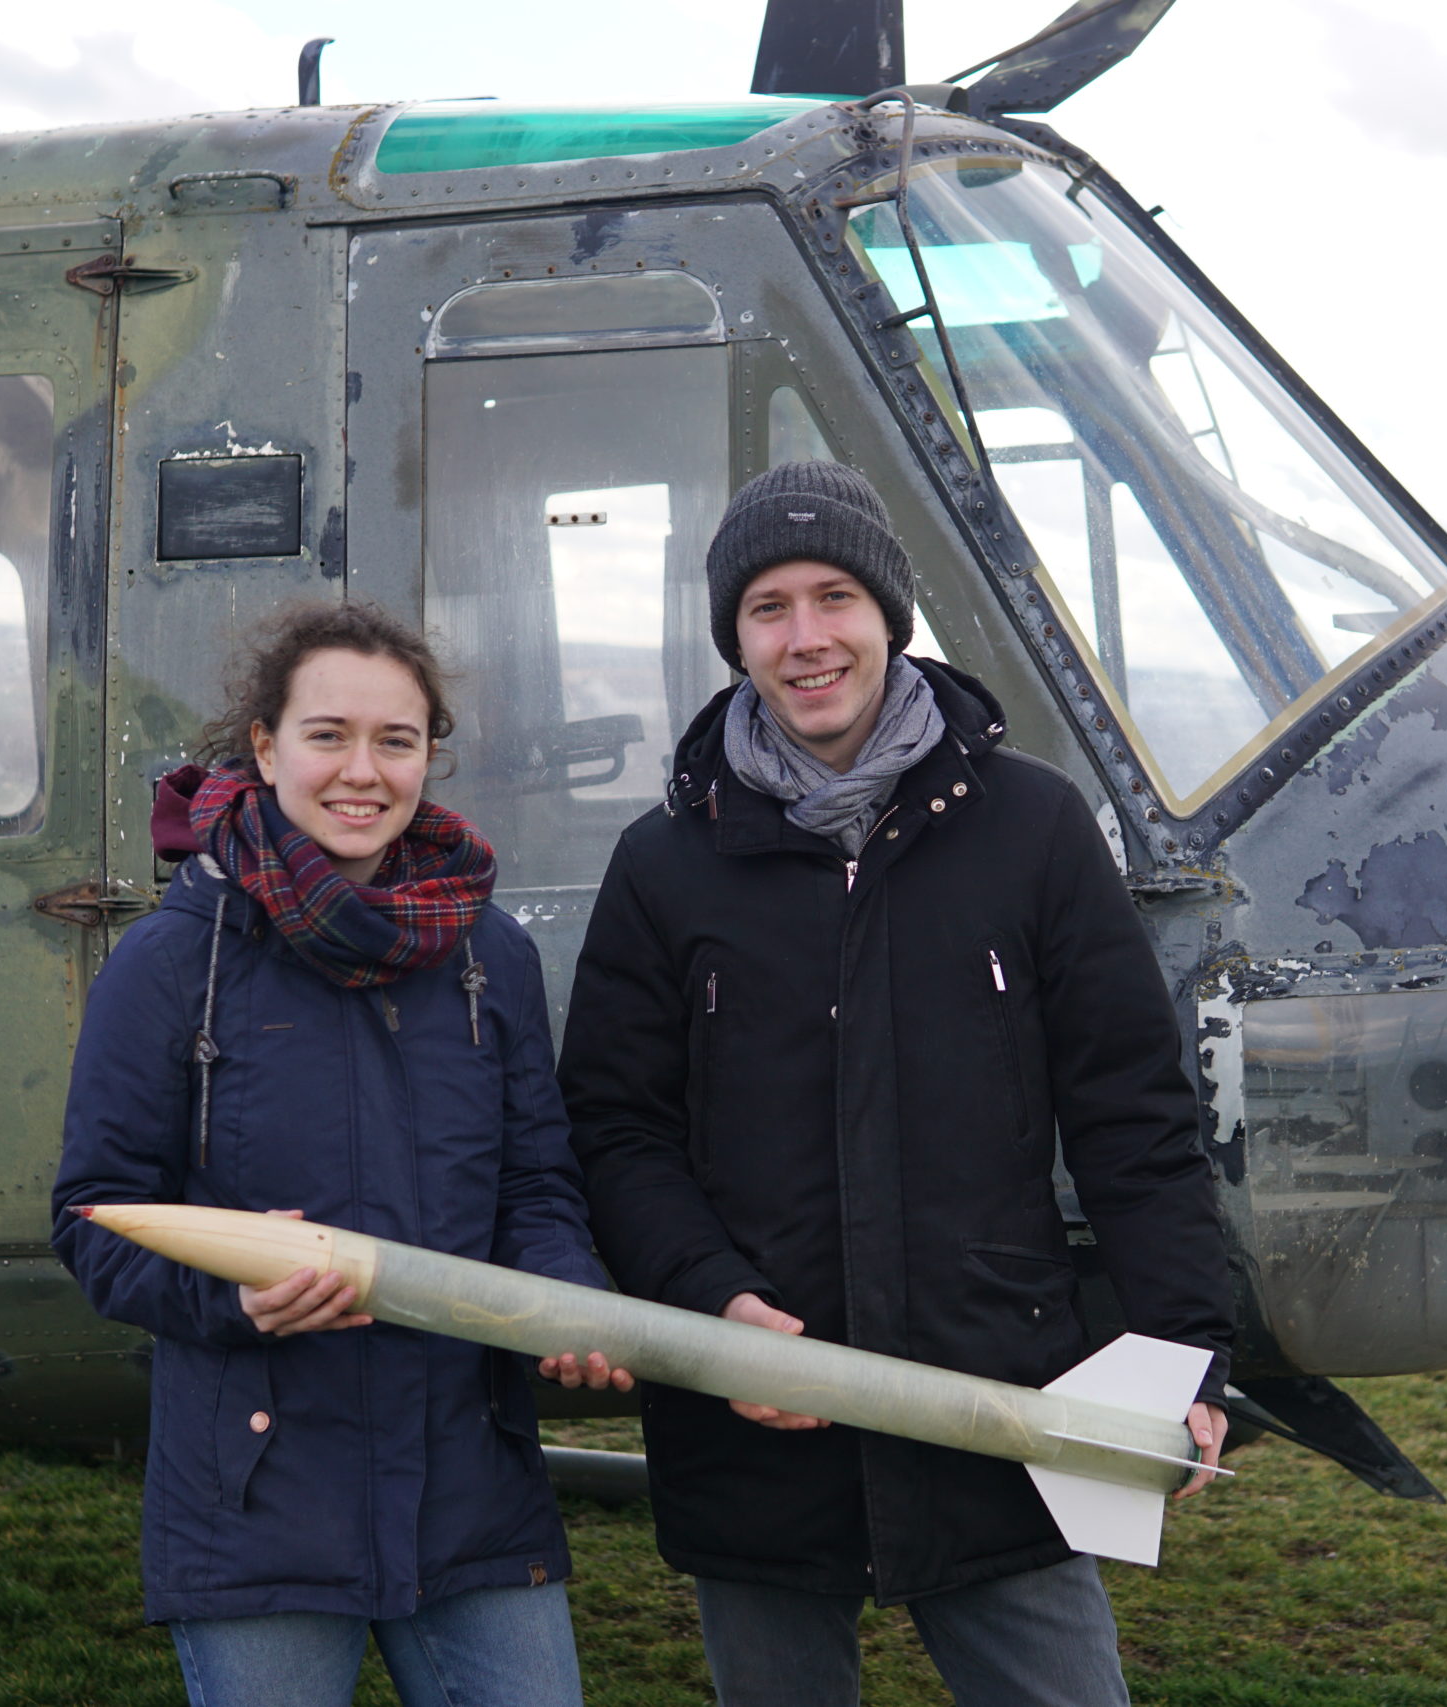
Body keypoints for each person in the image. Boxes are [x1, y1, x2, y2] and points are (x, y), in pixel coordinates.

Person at [559, 462, 1237, 1707]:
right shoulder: (663, 864)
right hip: (755, 1418)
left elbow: (1132, 1119)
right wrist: (712, 1304)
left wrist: (1183, 1343)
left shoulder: (1034, 829)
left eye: (835, 598)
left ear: (889, 615)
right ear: (734, 638)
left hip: (996, 1403)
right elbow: (616, 1130)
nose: (806, 638)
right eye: (768, 608)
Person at [52, 602, 629, 1707]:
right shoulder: (171, 963)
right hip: (257, 1496)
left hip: (469, 1479)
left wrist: (564, 1291)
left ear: (427, 756)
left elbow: (534, 1182)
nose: (362, 772)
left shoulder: (489, 955)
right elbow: (95, 1216)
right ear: (265, 747)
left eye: (395, 740)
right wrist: (232, 1299)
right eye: (328, 735)